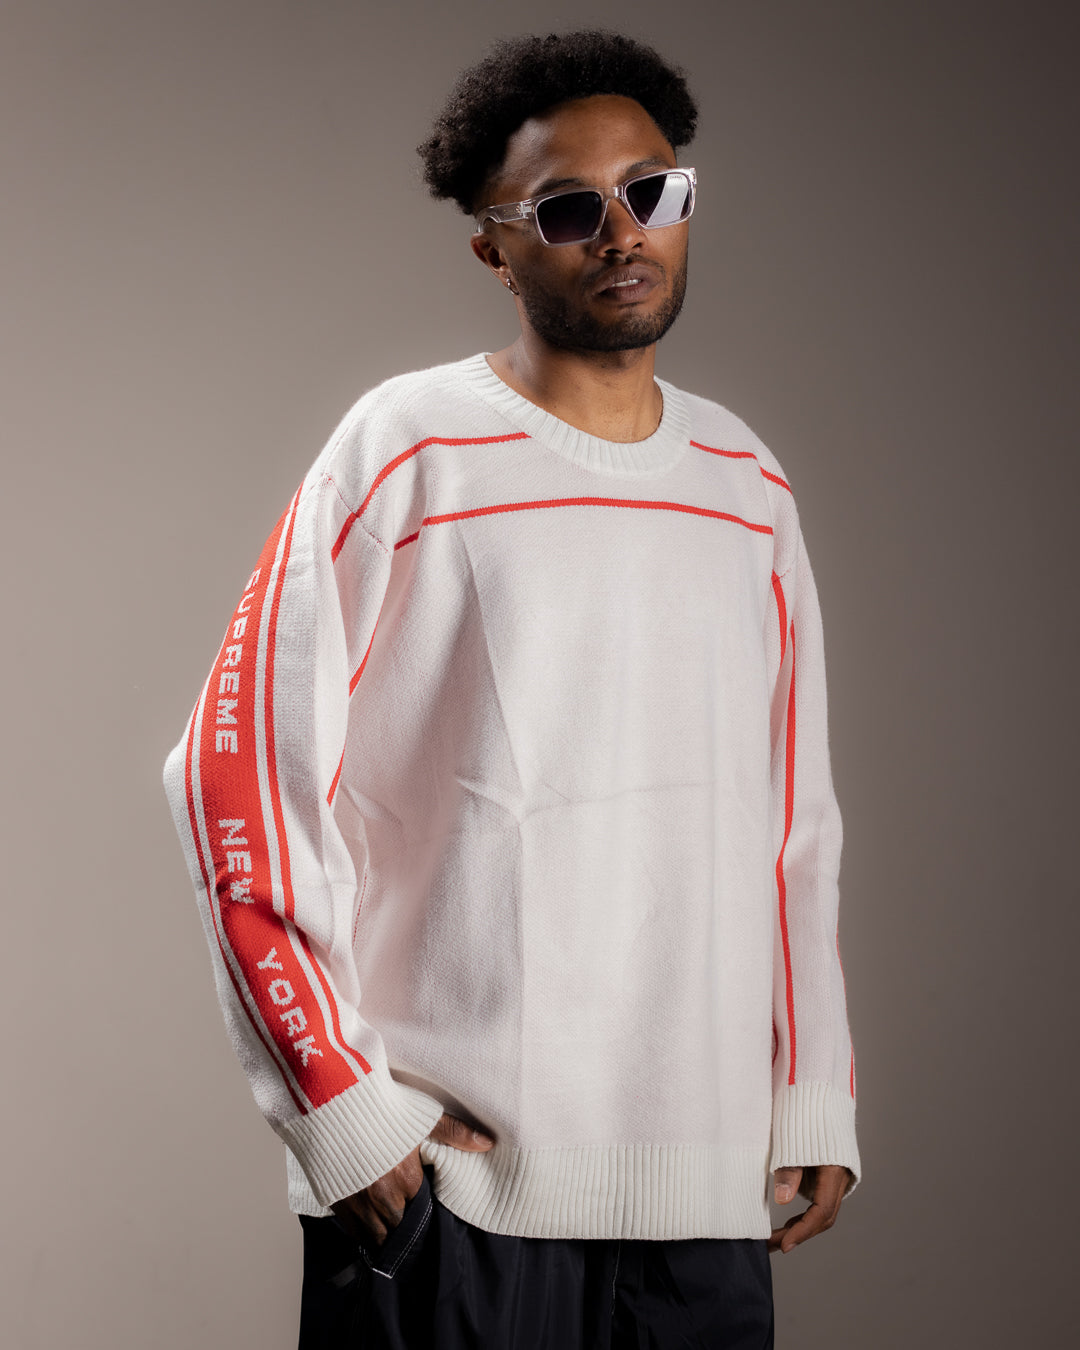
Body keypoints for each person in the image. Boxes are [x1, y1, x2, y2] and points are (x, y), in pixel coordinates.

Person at [164, 29, 859, 1350]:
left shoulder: (748, 483)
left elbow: (794, 821)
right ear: (495, 247)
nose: (624, 231)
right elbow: (232, 770)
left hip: (706, 1199)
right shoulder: (407, 448)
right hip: (458, 1201)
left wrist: (813, 1081)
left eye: (652, 191)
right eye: (569, 210)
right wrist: (340, 1108)